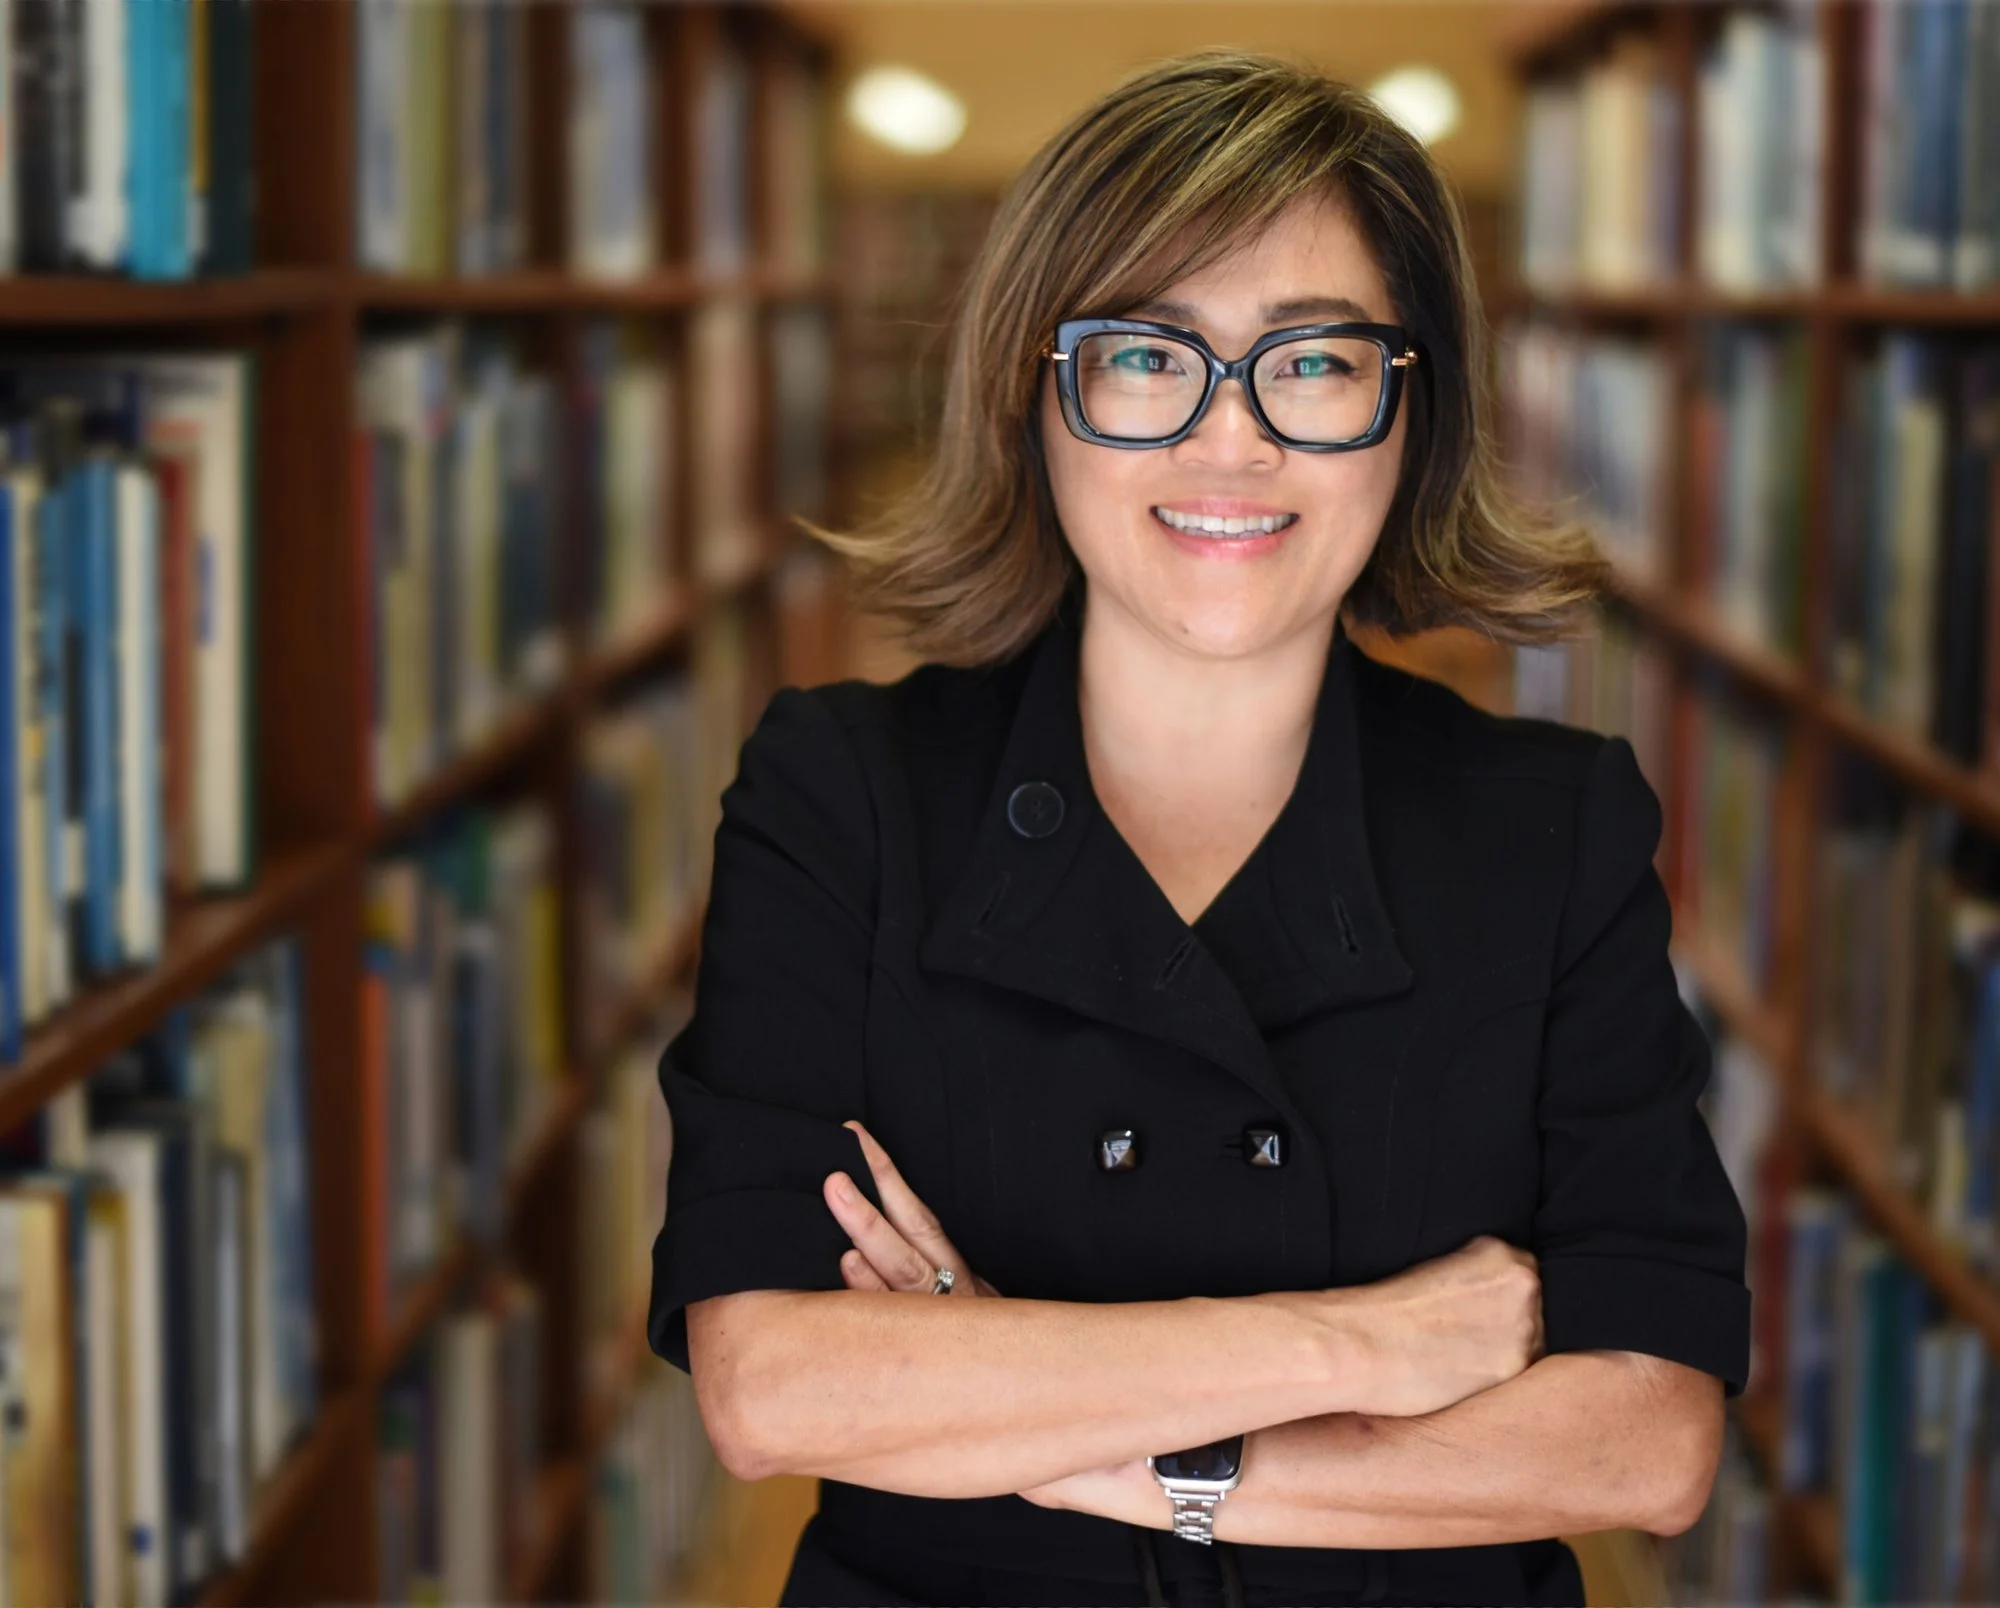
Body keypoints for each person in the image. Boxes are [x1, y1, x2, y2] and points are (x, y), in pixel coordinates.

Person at [648, 49, 1750, 1608]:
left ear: (1407, 411)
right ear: (1038, 396)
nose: (1229, 443)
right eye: (1147, 357)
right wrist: (1367, 1345)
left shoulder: (1554, 833)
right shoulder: (842, 797)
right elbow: (772, 1387)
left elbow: (1642, 1444)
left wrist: (1052, 1427)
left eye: (1311, 365)